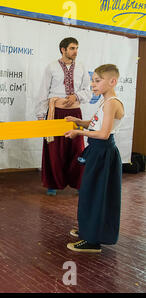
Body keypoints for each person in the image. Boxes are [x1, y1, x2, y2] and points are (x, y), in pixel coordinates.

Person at [64, 64, 124, 253]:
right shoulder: (106, 102)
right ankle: (88, 230)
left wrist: (78, 132)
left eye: (97, 81)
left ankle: (92, 240)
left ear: (112, 81)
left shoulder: (112, 103)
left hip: (102, 151)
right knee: (90, 192)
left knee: (95, 194)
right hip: (99, 151)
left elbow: (104, 133)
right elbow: (94, 123)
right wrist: (78, 122)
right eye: (92, 80)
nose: (93, 85)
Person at [35, 37, 92, 196]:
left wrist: (76, 96)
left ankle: (79, 182)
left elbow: (88, 90)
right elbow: (43, 91)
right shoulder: (51, 67)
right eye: (72, 48)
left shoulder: (81, 67)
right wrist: (41, 116)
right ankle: (52, 184)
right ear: (63, 49)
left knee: (77, 148)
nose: (75, 52)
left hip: (75, 113)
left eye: (76, 48)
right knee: (54, 149)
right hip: (56, 113)